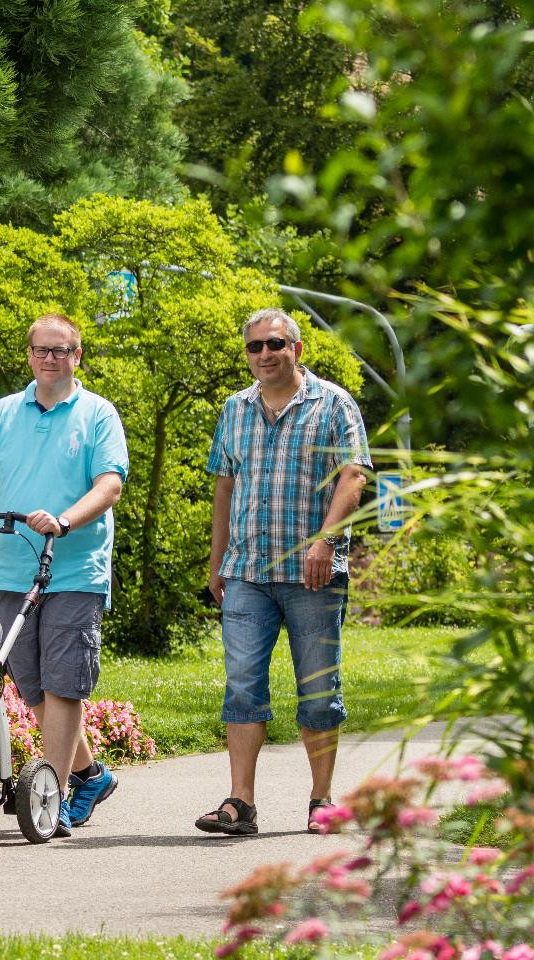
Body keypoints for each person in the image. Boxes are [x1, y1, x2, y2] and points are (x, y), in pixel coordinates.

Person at [0, 313, 128, 837]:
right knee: (33, 688)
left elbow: (110, 485)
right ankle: (91, 775)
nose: (50, 358)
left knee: (64, 685)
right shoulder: (3, 412)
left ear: (77, 356)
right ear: (29, 355)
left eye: (61, 350)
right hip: (11, 569)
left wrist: (65, 520)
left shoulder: (98, 413)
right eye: (41, 350)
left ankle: (56, 795)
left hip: (74, 568)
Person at [197, 308, 370, 837]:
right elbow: (225, 486)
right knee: (242, 687)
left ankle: (321, 800)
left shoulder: (333, 403)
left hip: (311, 575)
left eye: (275, 343)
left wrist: (326, 540)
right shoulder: (235, 408)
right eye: (255, 346)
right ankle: (240, 803)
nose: (265, 354)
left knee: (318, 689)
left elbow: (353, 476)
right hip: (247, 571)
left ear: (296, 349)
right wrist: (217, 561)